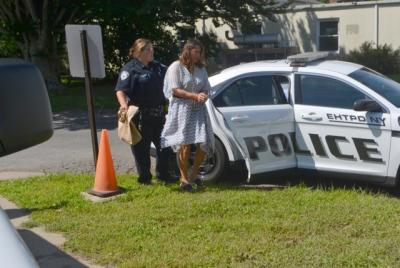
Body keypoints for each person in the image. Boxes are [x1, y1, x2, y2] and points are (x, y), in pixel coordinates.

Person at [115, 38, 174, 184]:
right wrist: (123, 104)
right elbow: (120, 90)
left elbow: (172, 74)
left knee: (164, 145)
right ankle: (145, 178)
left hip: (159, 114)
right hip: (141, 115)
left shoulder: (158, 67)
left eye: (152, 49)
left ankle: (163, 175)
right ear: (138, 52)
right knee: (142, 149)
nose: (151, 52)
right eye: (147, 49)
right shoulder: (130, 69)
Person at [161, 39, 215, 191]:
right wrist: (193, 96)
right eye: (196, 51)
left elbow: (206, 87)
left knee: (203, 143)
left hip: (198, 109)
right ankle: (184, 179)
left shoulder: (201, 69)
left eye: (200, 52)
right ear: (188, 51)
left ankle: (194, 173)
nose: (198, 55)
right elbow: (175, 89)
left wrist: (203, 94)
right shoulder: (176, 67)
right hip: (181, 109)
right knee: (184, 144)